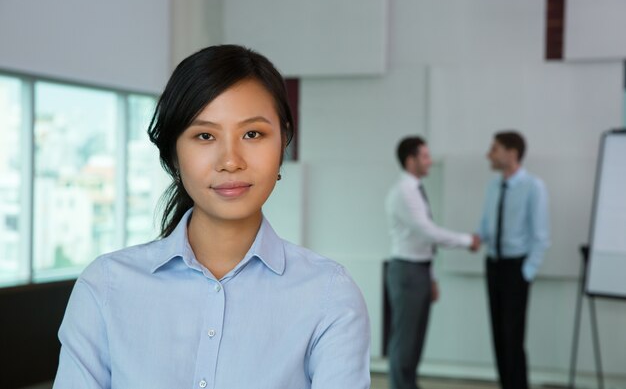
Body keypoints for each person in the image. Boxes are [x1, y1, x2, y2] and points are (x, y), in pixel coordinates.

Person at [52, 45, 371, 389]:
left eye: (253, 134)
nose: (230, 160)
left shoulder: (329, 296)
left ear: (284, 142)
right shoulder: (105, 287)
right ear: (174, 155)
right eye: (205, 136)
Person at [385, 136, 480, 389]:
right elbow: (428, 232)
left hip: (420, 270)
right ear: (410, 160)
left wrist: (432, 277)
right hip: (407, 271)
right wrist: (466, 240)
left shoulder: (415, 188)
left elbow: (424, 241)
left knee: (415, 342)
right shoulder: (405, 191)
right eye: (425, 156)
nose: (430, 161)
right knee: (404, 342)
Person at [477, 131, 550, 389]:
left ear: (512, 153)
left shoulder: (533, 186)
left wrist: (526, 272)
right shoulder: (493, 186)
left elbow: (541, 236)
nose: (489, 154)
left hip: (515, 268)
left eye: (494, 148)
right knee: (498, 335)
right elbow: (486, 225)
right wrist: (475, 239)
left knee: (513, 337)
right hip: (494, 265)